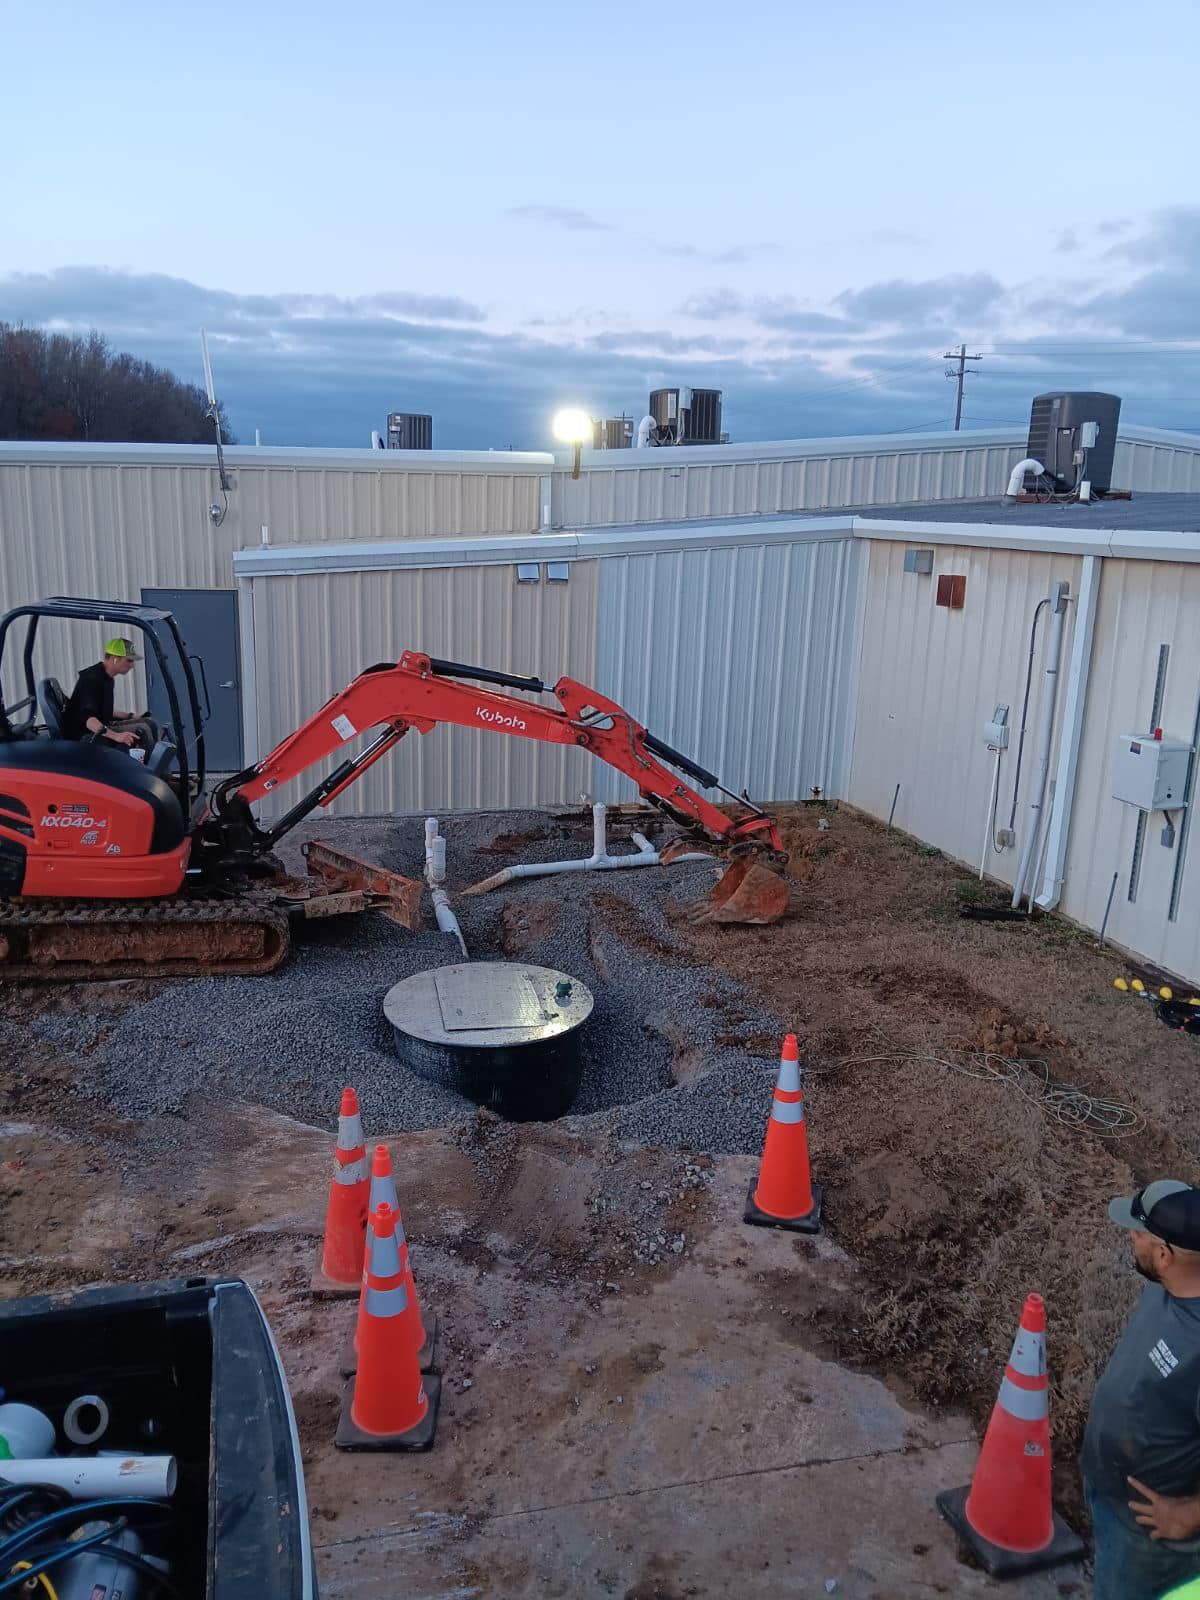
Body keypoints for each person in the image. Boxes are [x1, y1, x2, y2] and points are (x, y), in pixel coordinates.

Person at [1081, 1179, 1200, 1600]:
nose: (1130, 1238)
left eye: (1137, 1233)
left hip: (1150, 1535)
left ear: (1165, 1255)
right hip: (1110, 1490)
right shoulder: (1169, 1283)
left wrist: (1188, 1514)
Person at [62, 637, 155, 752]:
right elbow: (88, 719)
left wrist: (130, 716)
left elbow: (104, 710)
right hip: (85, 735)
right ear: (115, 659)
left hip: (99, 727)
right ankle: (148, 770)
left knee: (149, 722)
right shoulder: (92, 679)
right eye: (129, 661)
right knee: (143, 730)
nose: (132, 666)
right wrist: (117, 736)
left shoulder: (107, 678)